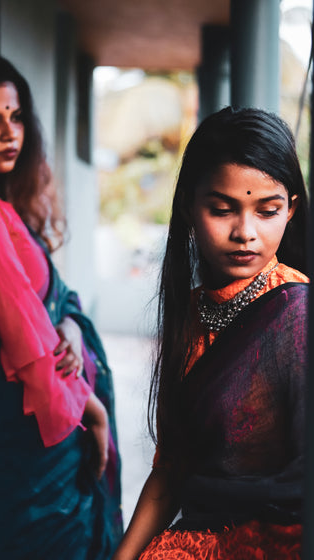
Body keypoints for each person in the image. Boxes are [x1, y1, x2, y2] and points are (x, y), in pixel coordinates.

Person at [0, 50, 122, 559]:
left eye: (16, 117)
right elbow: (25, 331)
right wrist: (95, 411)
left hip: (27, 428)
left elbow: (48, 305)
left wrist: (68, 322)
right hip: (16, 444)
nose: (9, 133)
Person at [112, 106, 309, 560]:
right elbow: (170, 472)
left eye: (268, 211)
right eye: (222, 209)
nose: (246, 233)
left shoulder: (296, 316)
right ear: (188, 207)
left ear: (291, 210)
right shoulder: (197, 313)